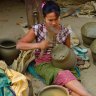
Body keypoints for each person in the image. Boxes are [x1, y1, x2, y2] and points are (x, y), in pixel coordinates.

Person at [16, 1, 92, 96]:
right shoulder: (37, 29)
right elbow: (19, 45)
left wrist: (72, 58)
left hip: (61, 62)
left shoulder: (65, 32)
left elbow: (68, 50)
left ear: (60, 17)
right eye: (50, 20)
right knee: (62, 74)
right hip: (43, 64)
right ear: (44, 18)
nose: (54, 23)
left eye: (56, 19)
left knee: (68, 83)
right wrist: (38, 45)